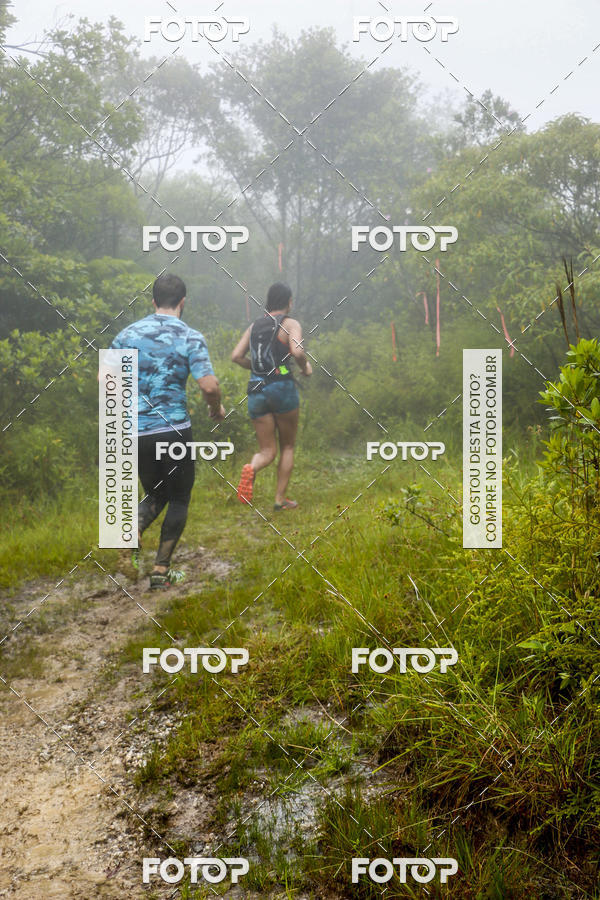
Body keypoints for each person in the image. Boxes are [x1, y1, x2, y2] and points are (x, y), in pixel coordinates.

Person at [111, 274, 225, 590]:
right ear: (183, 302)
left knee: (156, 493)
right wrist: (215, 408)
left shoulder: (125, 335)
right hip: (173, 430)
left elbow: (104, 381)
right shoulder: (190, 336)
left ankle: (132, 529)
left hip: (134, 431)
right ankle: (160, 571)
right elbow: (208, 384)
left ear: (153, 302)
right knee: (179, 496)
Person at [231, 282, 312, 510]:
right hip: (282, 386)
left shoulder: (254, 326)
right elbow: (297, 351)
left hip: (256, 388)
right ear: (289, 302)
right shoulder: (290, 323)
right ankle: (279, 500)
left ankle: (252, 467)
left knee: (267, 451)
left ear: (268, 301)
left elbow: (236, 356)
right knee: (287, 446)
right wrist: (305, 368)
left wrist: (257, 370)